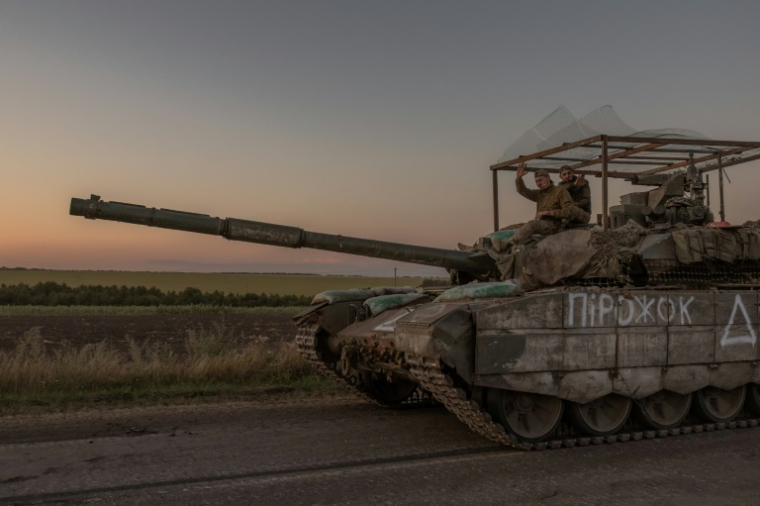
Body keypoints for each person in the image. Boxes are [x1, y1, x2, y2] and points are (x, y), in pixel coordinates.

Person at [504, 162, 579, 246]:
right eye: (536, 181)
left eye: (540, 180)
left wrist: (549, 212)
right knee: (515, 227)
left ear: (548, 178)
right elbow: (523, 191)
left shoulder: (560, 191)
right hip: (541, 224)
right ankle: (494, 241)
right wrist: (519, 179)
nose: (539, 183)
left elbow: (571, 211)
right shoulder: (539, 193)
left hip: (553, 226)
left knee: (532, 224)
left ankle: (508, 244)